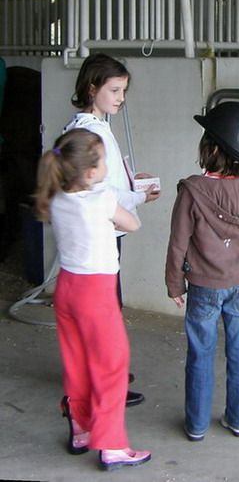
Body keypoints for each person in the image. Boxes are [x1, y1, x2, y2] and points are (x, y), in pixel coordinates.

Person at [35, 128, 151, 471]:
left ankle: (81, 427)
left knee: (77, 362)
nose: (105, 166)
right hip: (95, 292)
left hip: (66, 288)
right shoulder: (100, 199)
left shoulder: (57, 198)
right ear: (89, 171)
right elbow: (132, 225)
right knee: (112, 365)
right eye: (101, 160)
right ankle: (112, 444)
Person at [165, 102, 239, 441]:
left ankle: (196, 426)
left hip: (203, 287)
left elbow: (178, 242)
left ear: (209, 149)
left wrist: (174, 285)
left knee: (200, 352)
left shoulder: (192, 190)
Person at [64, 53, 160, 408]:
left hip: (103, 230)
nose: (121, 97)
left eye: (123, 90)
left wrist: (134, 190)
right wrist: (136, 197)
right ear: (93, 88)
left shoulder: (93, 126)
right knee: (105, 310)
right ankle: (105, 382)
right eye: (115, 89)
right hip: (101, 233)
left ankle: (105, 372)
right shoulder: (89, 132)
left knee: (105, 308)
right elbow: (98, 188)